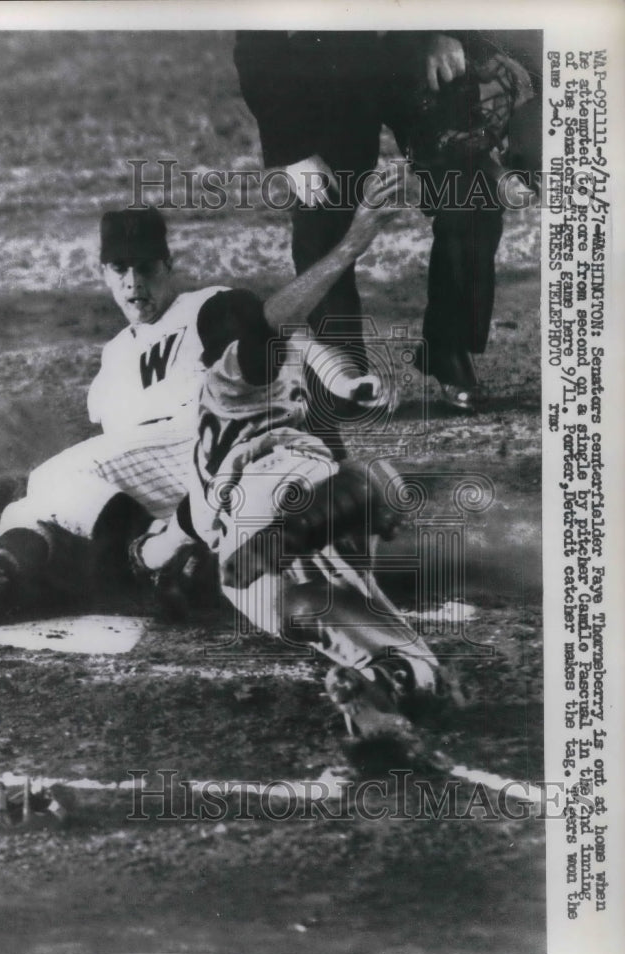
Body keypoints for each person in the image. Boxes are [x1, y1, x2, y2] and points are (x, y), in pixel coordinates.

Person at [132, 175, 462, 739]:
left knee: (362, 635)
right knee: (344, 515)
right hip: (284, 486)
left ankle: (382, 692)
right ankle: (348, 512)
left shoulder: (206, 440)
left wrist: (149, 557)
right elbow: (275, 325)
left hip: (250, 568)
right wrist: (353, 242)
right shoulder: (234, 372)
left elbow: (184, 524)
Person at [233, 29, 541, 414]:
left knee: (470, 196)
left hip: (412, 47)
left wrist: (446, 30)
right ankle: (341, 366)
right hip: (324, 65)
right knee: (323, 212)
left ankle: (451, 348)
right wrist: (294, 150)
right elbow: (255, 40)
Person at [0, 206, 230, 618]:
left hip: (204, 447)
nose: (134, 283)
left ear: (168, 265)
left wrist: (346, 249)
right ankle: (3, 567)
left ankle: (158, 558)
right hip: (162, 485)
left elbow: (270, 326)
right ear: (104, 274)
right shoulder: (114, 355)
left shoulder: (206, 307)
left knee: (52, 476)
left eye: (146, 267)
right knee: (37, 500)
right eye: (120, 268)